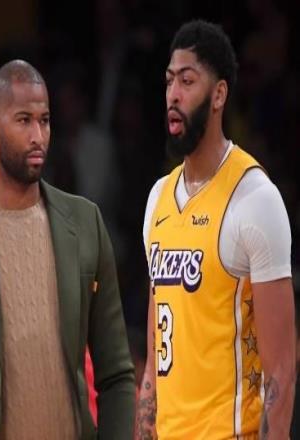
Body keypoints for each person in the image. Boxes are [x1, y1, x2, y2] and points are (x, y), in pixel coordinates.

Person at [0, 59, 135, 439]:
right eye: (24, 120)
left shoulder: (85, 222)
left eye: (45, 120)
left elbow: (117, 373)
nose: (38, 135)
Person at [135, 20, 296, 439]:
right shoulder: (158, 198)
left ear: (219, 94)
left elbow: (282, 369)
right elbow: (154, 364)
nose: (173, 94)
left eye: (187, 81)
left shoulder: (254, 198)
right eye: (169, 80)